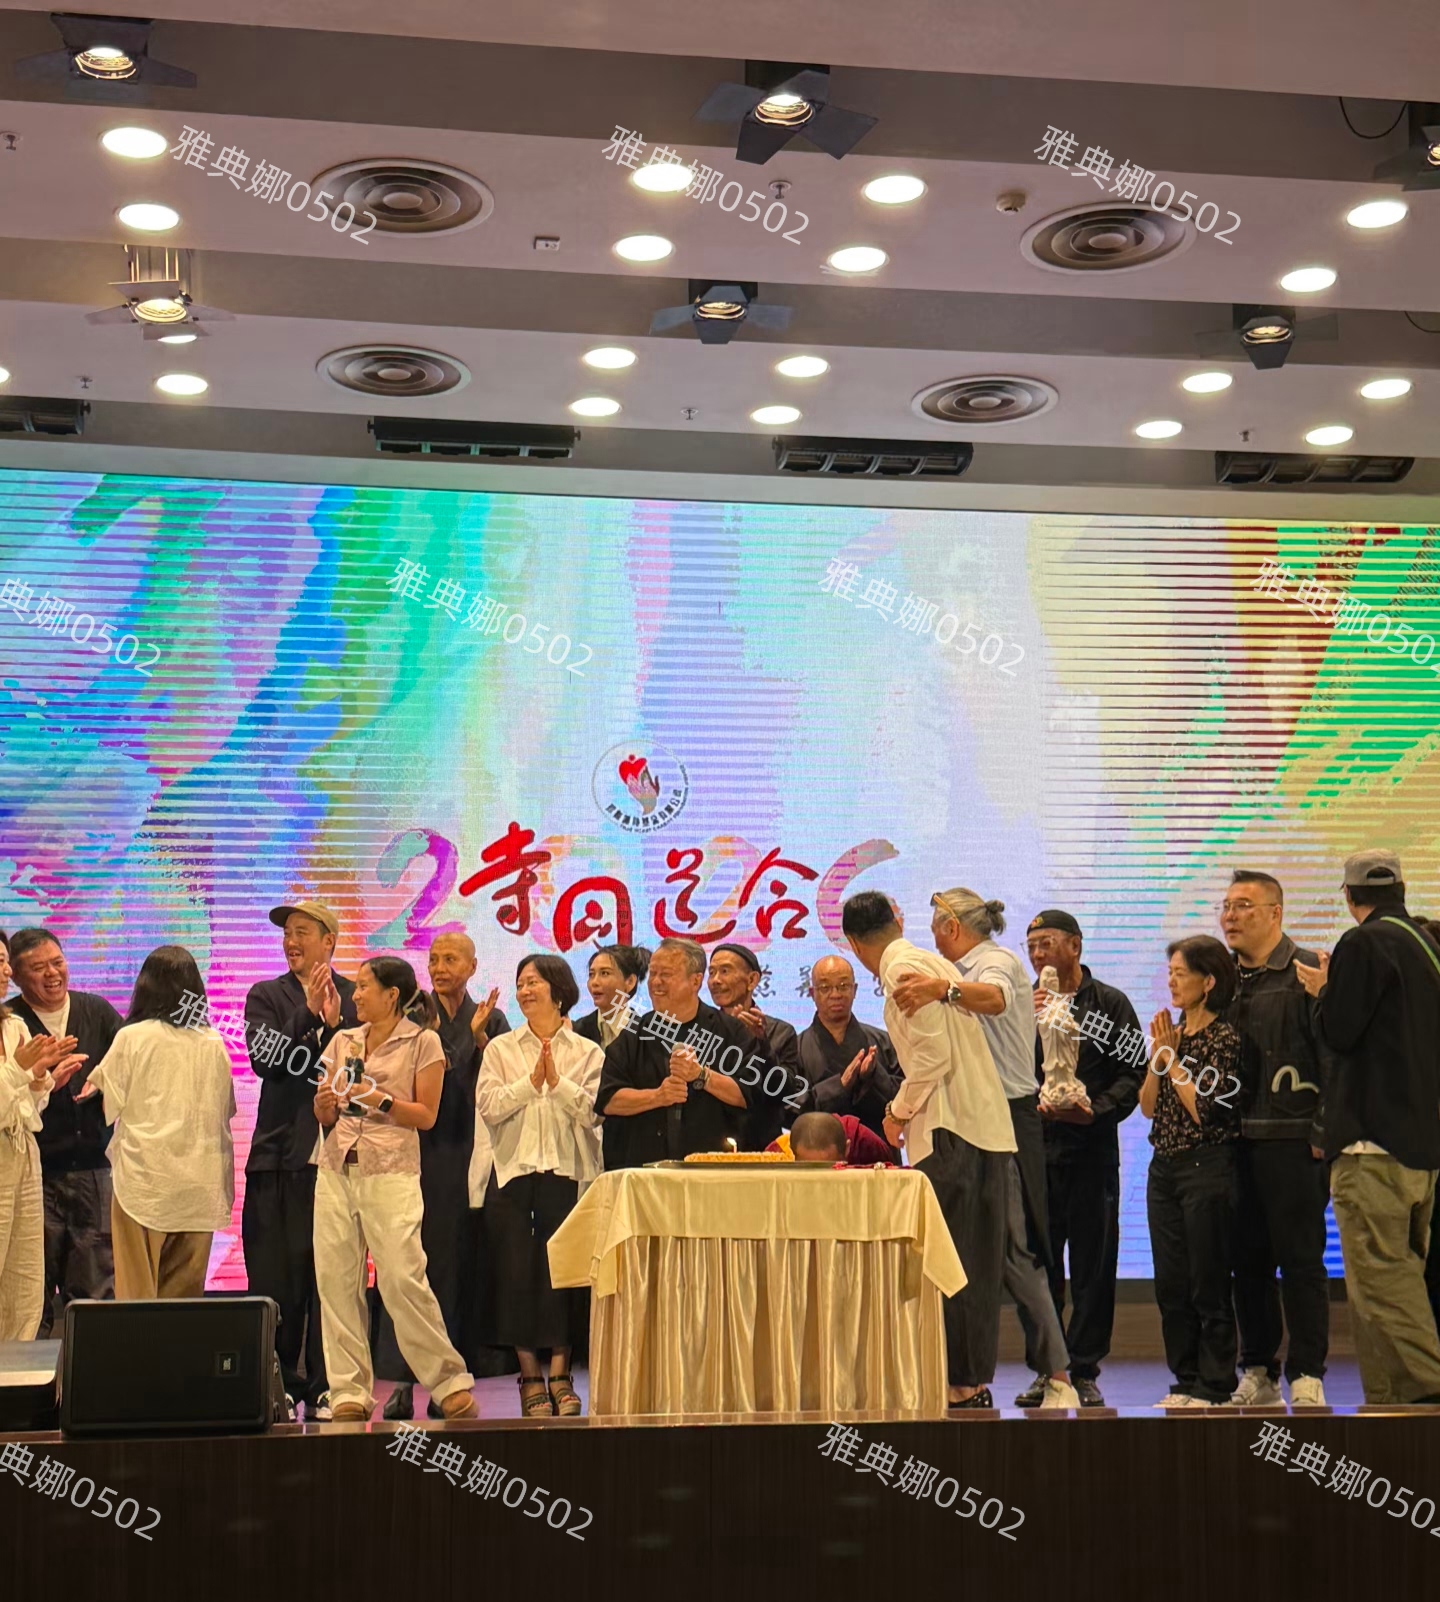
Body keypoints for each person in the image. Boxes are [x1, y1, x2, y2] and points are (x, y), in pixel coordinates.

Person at [892, 891, 1079, 1410]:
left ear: (951, 927)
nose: (932, 941)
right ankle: (1009, 1372)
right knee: (983, 1250)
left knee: (1015, 1250)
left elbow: (994, 998)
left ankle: (1057, 1374)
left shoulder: (993, 962)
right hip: (976, 1120)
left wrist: (941, 989)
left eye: (935, 928)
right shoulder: (959, 968)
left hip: (1006, 1117)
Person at [841, 890, 1016, 1410]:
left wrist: (896, 1112)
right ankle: (969, 1380)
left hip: (949, 1129)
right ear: (897, 920)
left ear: (852, 943)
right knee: (975, 1261)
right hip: (977, 1126)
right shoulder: (931, 962)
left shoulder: (901, 970)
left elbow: (933, 1056)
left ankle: (960, 1383)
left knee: (952, 1260)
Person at [1297, 850, 1440, 1405]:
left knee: (1383, 1280)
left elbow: (1339, 1031)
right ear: (1400, 888)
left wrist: (1324, 991)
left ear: (1349, 895)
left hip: (1370, 1144)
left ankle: (1427, 1391)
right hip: (1419, 1146)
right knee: (1381, 1285)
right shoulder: (1427, 945)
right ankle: (1389, 1410)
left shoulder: (1363, 943)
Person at [312, 956, 477, 1423]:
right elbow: (324, 1113)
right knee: (336, 1281)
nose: (356, 995)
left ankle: (448, 1381)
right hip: (337, 1168)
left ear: (392, 995)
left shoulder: (423, 1042)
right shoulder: (343, 1040)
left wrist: (378, 1099)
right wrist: (325, 1104)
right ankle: (348, 1389)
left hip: (392, 1170)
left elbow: (426, 1115)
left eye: (365, 986)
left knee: (403, 1277)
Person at [375, 931, 510, 1421]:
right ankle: (400, 1382)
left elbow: (497, 1085)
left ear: (472, 966)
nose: (439, 967)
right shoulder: (413, 1016)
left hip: (466, 1155)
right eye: (433, 959)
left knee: (451, 1269)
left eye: (451, 959)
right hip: (414, 1153)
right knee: (405, 1267)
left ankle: (445, 1380)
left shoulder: (491, 1019)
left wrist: (479, 1040)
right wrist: (458, 1039)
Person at [1023, 910, 1145, 1408]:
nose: (1038, 955)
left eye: (1047, 943)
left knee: (1094, 1265)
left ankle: (1085, 1368)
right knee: (1039, 1266)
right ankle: (1048, 1369)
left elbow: (1134, 1072)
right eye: (1031, 946)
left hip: (1092, 1151)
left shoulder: (1109, 1004)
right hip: (1037, 1153)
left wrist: (1096, 1109)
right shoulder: (1023, 1003)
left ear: (1075, 946)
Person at [242, 901, 358, 1420]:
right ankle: (281, 1383)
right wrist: (308, 1013)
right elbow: (266, 1061)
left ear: (329, 941)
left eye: (302, 932)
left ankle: (329, 1383)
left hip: (341, 1158)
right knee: (277, 1276)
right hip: (279, 1156)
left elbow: (361, 1072)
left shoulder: (357, 995)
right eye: (287, 933)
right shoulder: (267, 995)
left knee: (332, 1277)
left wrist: (335, 1026)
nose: (291, 942)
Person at [1220, 870, 1331, 1409]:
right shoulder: (1219, 978)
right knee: (1247, 1264)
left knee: (1302, 1261)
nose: (1230, 916)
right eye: (1226, 906)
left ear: (1275, 913)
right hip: (1232, 1142)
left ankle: (1308, 1372)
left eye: (1243, 905)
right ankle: (1258, 1370)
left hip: (1294, 1140)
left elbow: (1335, 1056)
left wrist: (1323, 1129)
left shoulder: (1308, 970)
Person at [476, 954, 602, 1418]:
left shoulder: (587, 1052)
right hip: (512, 1173)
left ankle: (562, 1375)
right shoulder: (501, 1049)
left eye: (534, 983)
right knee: (514, 1274)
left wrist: (559, 1084)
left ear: (559, 991)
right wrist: (530, 1085)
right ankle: (530, 1376)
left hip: (567, 1174)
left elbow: (594, 1113)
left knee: (563, 1274)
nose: (525, 991)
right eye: (521, 983)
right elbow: (489, 1107)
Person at [77, 947, 235, 1300]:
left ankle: (138, 1341)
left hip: (144, 1182)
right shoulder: (213, 1043)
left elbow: (105, 1103)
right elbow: (224, 1111)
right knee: (183, 1301)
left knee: (137, 1299)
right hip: (200, 1185)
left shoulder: (132, 1037)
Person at [1141, 935, 1244, 1408]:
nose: (1172, 982)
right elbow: (1148, 1107)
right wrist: (1158, 1059)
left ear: (1209, 982)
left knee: (1208, 1279)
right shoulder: (1172, 1036)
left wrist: (1174, 1060)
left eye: (1180, 974)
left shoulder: (1224, 1038)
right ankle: (1184, 1380)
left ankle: (1215, 1384)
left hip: (1206, 1166)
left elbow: (1206, 1110)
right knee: (1171, 1282)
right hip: (1163, 1168)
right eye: (1170, 974)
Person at [6, 927, 122, 1336]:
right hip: (32, 1174)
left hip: (93, 1171)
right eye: (38, 968)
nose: (52, 974)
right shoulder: (11, 1022)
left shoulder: (97, 1011)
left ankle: (95, 1373)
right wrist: (43, 1082)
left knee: (95, 1290)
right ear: (16, 976)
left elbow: (129, 1066)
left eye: (57, 962)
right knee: (27, 1293)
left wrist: (105, 1084)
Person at [595, 938, 756, 1167]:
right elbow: (608, 1100)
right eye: (652, 974)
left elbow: (750, 1095)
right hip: (646, 1169)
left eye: (666, 974)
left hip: (713, 1169)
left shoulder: (729, 1032)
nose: (656, 982)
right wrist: (658, 1096)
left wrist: (702, 1075)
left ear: (695, 981)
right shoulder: (634, 1034)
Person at [0, 931, 84, 1341]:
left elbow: (24, 1108)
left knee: (25, 1278)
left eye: (4, 961)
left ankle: (14, 1366)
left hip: (23, 1154)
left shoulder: (14, 1026)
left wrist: (42, 1082)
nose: (4, 971)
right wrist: (20, 1070)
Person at [706, 943, 804, 1150]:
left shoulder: (780, 1032)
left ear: (752, 980)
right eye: (711, 972)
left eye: (725, 971)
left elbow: (785, 1092)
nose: (715, 980)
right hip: (710, 1143)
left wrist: (762, 1043)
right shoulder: (704, 1028)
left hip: (762, 1146)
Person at [795, 954, 901, 1141]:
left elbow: (906, 1098)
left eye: (843, 986)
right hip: (819, 1148)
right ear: (812, 993)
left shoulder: (883, 1042)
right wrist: (839, 1086)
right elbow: (789, 1107)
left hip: (876, 1147)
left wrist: (874, 1075)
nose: (835, 994)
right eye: (825, 987)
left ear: (855, 990)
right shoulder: (796, 1048)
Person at [572, 945, 650, 1048]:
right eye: (591, 974)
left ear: (630, 982)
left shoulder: (645, 1036)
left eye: (604, 973)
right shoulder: (576, 1031)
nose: (594, 982)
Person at [768, 1111, 893, 1166]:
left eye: (828, 1167)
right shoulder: (778, 1153)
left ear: (847, 1148)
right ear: (792, 1151)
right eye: (807, 1167)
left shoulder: (866, 1145)